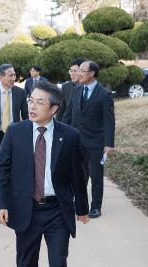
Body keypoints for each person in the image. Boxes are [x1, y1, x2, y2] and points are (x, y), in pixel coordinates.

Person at [0, 80, 89, 267]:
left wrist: (82, 209)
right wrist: (1, 204)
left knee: (58, 261)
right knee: (26, 262)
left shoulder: (70, 135)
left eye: (39, 102)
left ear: (54, 109)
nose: (32, 106)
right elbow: (1, 170)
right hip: (26, 208)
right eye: (31, 101)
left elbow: (78, 174)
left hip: (57, 210)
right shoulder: (15, 132)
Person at [62, 60, 115, 219]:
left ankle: (96, 207)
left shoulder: (104, 94)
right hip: (77, 142)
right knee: (78, 175)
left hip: (96, 143)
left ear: (92, 73)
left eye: (82, 71)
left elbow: (109, 120)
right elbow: (68, 114)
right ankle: (80, 204)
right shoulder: (76, 90)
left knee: (96, 176)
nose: (78, 74)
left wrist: (109, 143)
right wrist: (62, 133)